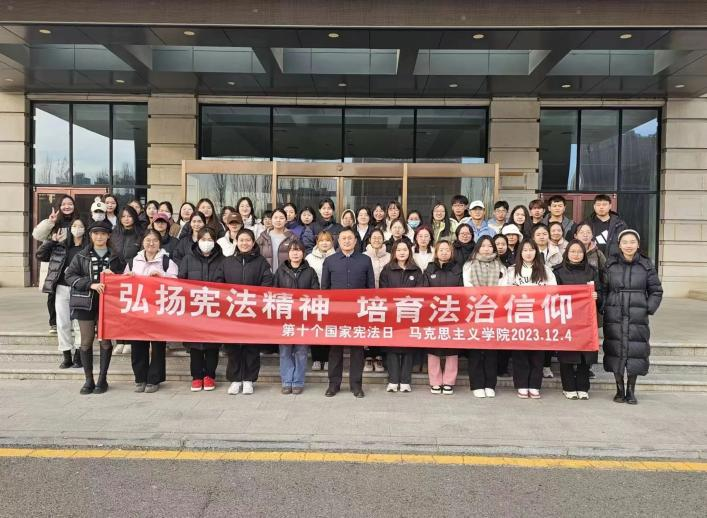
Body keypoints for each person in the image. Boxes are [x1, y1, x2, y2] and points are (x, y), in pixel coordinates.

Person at [602, 229, 663, 405]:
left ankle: (631, 390)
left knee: (635, 351)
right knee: (615, 350)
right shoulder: (610, 264)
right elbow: (603, 289)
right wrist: (604, 306)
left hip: (637, 314)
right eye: (625, 242)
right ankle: (619, 389)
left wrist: (648, 308)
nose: (628, 245)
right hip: (614, 313)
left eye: (632, 242)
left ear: (638, 244)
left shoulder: (646, 265)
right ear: (619, 245)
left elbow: (656, 291)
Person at [64, 220, 125, 395]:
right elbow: (69, 276)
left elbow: (125, 277)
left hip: (108, 303)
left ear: (108, 236)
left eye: (103, 233)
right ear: (90, 235)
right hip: (85, 302)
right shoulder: (81, 255)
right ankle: (88, 379)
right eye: (96, 233)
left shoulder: (116, 256)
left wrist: (115, 276)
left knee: (105, 340)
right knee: (86, 340)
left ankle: (102, 379)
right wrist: (90, 284)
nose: (99, 237)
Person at [217, 228, 273, 395]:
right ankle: (235, 380)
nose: (244, 243)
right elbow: (218, 283)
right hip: (232, 312)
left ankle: (249, 380)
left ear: (253, 242)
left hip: (252, 312)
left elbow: (267, 283)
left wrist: (255, 301)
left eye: (248, 240)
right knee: (233, 347)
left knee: (252, 348)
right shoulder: (227, 262)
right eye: (241, 240)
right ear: (236, 242)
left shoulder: (262, 262)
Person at [321, 228, 375, 398]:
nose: (346, 241)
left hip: (358, 312)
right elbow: (324, 289)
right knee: (335, 349)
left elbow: (371, 288)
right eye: (343, 238)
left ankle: (356, 385)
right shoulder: (330, 261)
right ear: (338, 241)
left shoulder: (365, 260)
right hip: (336, 313)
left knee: (357, 350)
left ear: (355, 241)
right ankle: (333, 384)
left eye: (350, 238)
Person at [124, 229, 178, 393]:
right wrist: (128, 277)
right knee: (137, 345)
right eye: (148, 240)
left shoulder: (167, 261)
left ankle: (154, 379)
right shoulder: (134, 261)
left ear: (159, 243)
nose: (151, 243)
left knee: (157, 346)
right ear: (142, 242)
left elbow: (176, 283)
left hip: (158, 310)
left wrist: (162, 276)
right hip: (138, 310)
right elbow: (123, 283)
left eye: (155, 240)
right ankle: (140, 378)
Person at [501, 239, 556, 399]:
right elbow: (502, 291)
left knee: (537, 352)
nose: (528, 253)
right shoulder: (512, 271)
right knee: (520, 353)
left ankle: (534, 384)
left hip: (539, 317)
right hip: (518, 317)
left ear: (536, 252)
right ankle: (522, 384)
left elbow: (554, 291)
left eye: (531, 250)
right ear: (520, 253)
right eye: (525, 250)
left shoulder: (545, 270)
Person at [178, 227, 225, 392]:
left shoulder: (223, 259)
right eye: (203, 239)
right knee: (195, 345)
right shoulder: (188, 259)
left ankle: (210, 375)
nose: (206, 243)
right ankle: (197, 376)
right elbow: (181, 281)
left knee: (212, 344)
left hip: (214, 308)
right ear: (197, 240)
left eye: (210, 239)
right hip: (194, 308)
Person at [36, 217, 86, 369]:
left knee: (78, 323)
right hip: (62, 288)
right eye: (74, 226)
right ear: (70, 229)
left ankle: (78, 355)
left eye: (80, 226)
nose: (77, 228)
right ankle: (66, 355)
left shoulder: (87, 248)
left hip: (80, 289)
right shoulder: (61, 245)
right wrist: (51, 241)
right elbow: (40, 255)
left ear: (85, 229)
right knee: (63, 322)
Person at [552, 240, 600, 400]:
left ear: (584, 254)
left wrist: (597, 296)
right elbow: (553, 295)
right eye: (572, 251)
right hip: (566, 319)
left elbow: (601, 291)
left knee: (586, 355)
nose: (576, 255)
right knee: (567, 354)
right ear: (567, 253)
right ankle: (568, 387)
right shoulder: (558, 271)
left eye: (579, 252)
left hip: (586, 320)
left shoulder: (592, 271)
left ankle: (583, 387)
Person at [274, 241, 319, 394]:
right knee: (285, 351)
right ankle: (287, 381)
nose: (295, 253)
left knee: (301, 351)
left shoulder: (310, 271)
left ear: (303, 253)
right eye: (292, 250)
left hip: (303, 319)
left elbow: (315, 293)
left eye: (299, 250)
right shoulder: (280, 271)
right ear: (288, 253)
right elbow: (273, 293)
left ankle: (298, 381)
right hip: (285, 318)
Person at [463, 236, 505, 398]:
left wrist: (493, 302)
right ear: (478, 248)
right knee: (475, 349)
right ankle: (477, 384)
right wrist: (481, 301)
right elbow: (468, 286)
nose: (486, 249)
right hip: (475, 310)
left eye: (489, 246)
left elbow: (504, 288)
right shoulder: (469, 265)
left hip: (495, 311)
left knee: (491, 350)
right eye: (483, 246)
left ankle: (490, 384)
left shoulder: (500, 266)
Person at [379, 241, 423, 393]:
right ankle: (393, 380)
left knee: (408, 348)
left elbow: (421, 291)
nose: (402, 252)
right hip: (392, 314)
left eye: (405, 249)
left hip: (410, 313)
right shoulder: (387, 269)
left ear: (409, 252)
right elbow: (383, 291)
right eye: (399, 250)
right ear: (394, 252)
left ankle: (405, 381)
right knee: (392, 348)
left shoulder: (416, 270)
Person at [422, 240, 463, 395]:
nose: (444, 252)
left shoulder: (457, 269)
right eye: (441, 250)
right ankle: (435, 381)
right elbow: (424, 291)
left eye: (447, 250)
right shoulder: (429, 268)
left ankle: (449, 381)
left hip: (452, 313)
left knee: (452, 348)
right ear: (436, 252)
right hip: (433, 314)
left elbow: (462, 291)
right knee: (433, 348)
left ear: (451, 252)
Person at [33, 194, 76, 334]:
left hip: (72, 262)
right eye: (64, 204)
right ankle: (54, 323)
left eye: (70, 204)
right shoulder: (54, 223)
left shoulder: (78, 221)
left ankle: (72, 322)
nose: (67, 206)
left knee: (72, 294)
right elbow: (37, 235)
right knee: (53, 294)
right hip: (56, 264)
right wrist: (49, 222)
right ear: (59, 207)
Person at [305, 230, 336, 371]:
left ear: (332, 242)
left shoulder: (337, 257)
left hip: (332, 299)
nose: (325, 243)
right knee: (316, 328)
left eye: (327, 240)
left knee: (329, 329)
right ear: (317, 242)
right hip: (314, 299)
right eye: (322, 240)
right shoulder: (309, 258)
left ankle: (328, 358)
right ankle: (317, 358)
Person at [362, 228, 390, 373]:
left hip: (385, 298)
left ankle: (378, 356)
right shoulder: (363, 256)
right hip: (367, 298)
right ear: (369, 240)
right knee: (368, 327)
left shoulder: (390, 256)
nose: (377, 240)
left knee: (380, 327)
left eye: (379, 237)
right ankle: (368, 356)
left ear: (383, 239)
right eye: (374, 237)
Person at [256, 208, 297, 274]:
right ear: (272, 220)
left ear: (286, 221)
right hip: (266, 275)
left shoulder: (292, 237)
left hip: (286, 275)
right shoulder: (263, 236)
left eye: (281, 218)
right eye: (275, 218)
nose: (278, 220)